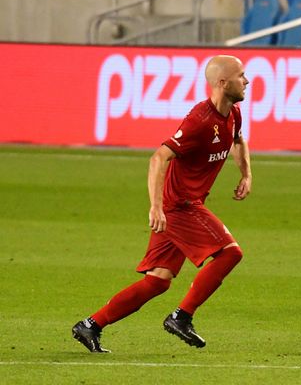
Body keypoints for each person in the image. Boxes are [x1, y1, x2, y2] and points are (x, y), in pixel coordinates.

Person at [72, 55, 252, 352]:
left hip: (181, 206)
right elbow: (159, 157)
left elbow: (238, 140)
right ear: (222, 83)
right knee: (230, 253)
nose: (247, 81)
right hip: (180, 206)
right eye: (241, 75)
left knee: (158, 281)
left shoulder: (233, 114)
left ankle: (90, 325)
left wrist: (246, 174)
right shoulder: (200, 120)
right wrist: (156, 206)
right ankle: (181, 317)